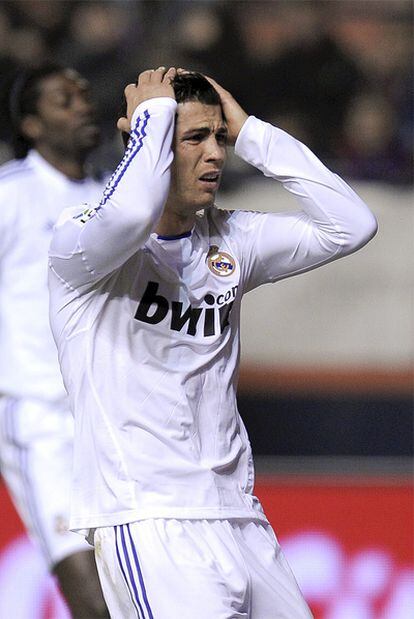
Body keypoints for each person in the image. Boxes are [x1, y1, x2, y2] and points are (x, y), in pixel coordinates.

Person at [48, 67, 377, 618]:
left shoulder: (231, 239)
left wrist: (251, 132)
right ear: (146, 142)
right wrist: (150, 121)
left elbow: (352, 224)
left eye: (219, 138)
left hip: (239, 517)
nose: (216, 154)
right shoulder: (79, 245)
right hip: (150, 519)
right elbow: (129, 213)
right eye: (195, 138)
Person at [0, 65, 109, 617]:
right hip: (38, 411)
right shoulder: (10, 195)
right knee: (83, 578)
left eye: (84, 95)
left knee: (133, 578)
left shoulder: (114, 199)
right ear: (32, 124)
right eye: (64, 100)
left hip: (110, 413)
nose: (82, 106)